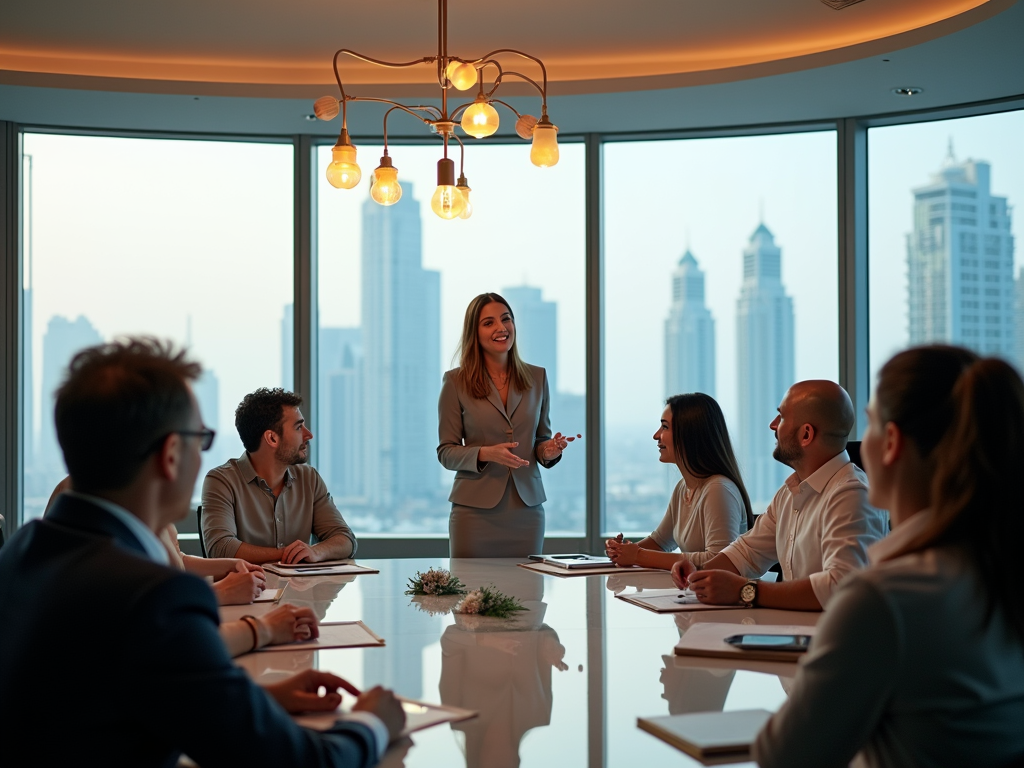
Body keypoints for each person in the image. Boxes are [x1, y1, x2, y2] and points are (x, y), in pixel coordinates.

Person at [0, 338, 404, 766]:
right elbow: (297, 761)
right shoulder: (154, 598)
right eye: (202, 439)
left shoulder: (19, 555)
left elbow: (113, 694)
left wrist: (254, 696)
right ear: (171, 455)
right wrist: (370, 722)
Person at [754, 346, 1024, 767]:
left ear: (892, 443)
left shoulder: (884, 600)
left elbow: (783, 756)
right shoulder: (994, 573)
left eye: (870, 425)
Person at [672, 380, 887, 610]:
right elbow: (747, 552)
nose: (773, 425)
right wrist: (701, 573)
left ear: (806, 434)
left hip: (831, 640)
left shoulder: (851, 494)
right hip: (794, 632)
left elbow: (842, 587)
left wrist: (746, 591)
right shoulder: (790, 492)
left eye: (781, 417)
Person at [438, 292, 578, 557]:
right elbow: (446, 452)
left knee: (528, 597)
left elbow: (539, 441)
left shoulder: (537, 377)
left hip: (527, 512)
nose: (501, 328)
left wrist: (548, 451)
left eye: (506, 319)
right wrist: (485, 453)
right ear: (474, 333)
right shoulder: (455, 382)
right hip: (473, 514)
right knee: (473, 597)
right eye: (489, 323)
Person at [202, 387, 357, 564]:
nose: (309, 435)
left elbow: (345, 539)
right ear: (272, 438)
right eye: (299, 427)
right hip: (248, 591)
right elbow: (221, 549)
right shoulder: (221, 481)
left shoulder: (309, 478)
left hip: (302, 591)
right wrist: (290, 554)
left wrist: (316, 552)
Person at [604, 393, 752, 570]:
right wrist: (623, 552)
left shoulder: (718, 489)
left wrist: (637, 556)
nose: (656, 435)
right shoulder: (683, 488)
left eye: (665, 427)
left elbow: (719, 560)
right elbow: (660, 542)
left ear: (690, 434)